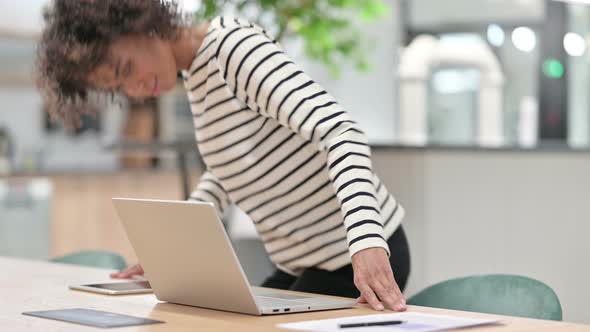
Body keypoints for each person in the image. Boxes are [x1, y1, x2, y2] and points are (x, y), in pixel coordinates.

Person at [36, 0, 410, 312]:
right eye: (119, 87)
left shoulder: (233, 49)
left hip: (360, 257)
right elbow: (226, 170)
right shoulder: (197, 75)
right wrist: (171, 251)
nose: (133, 91)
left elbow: (341, 132)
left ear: (142, 23)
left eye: (126, 70)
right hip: (310, 261)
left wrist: (365, 242)